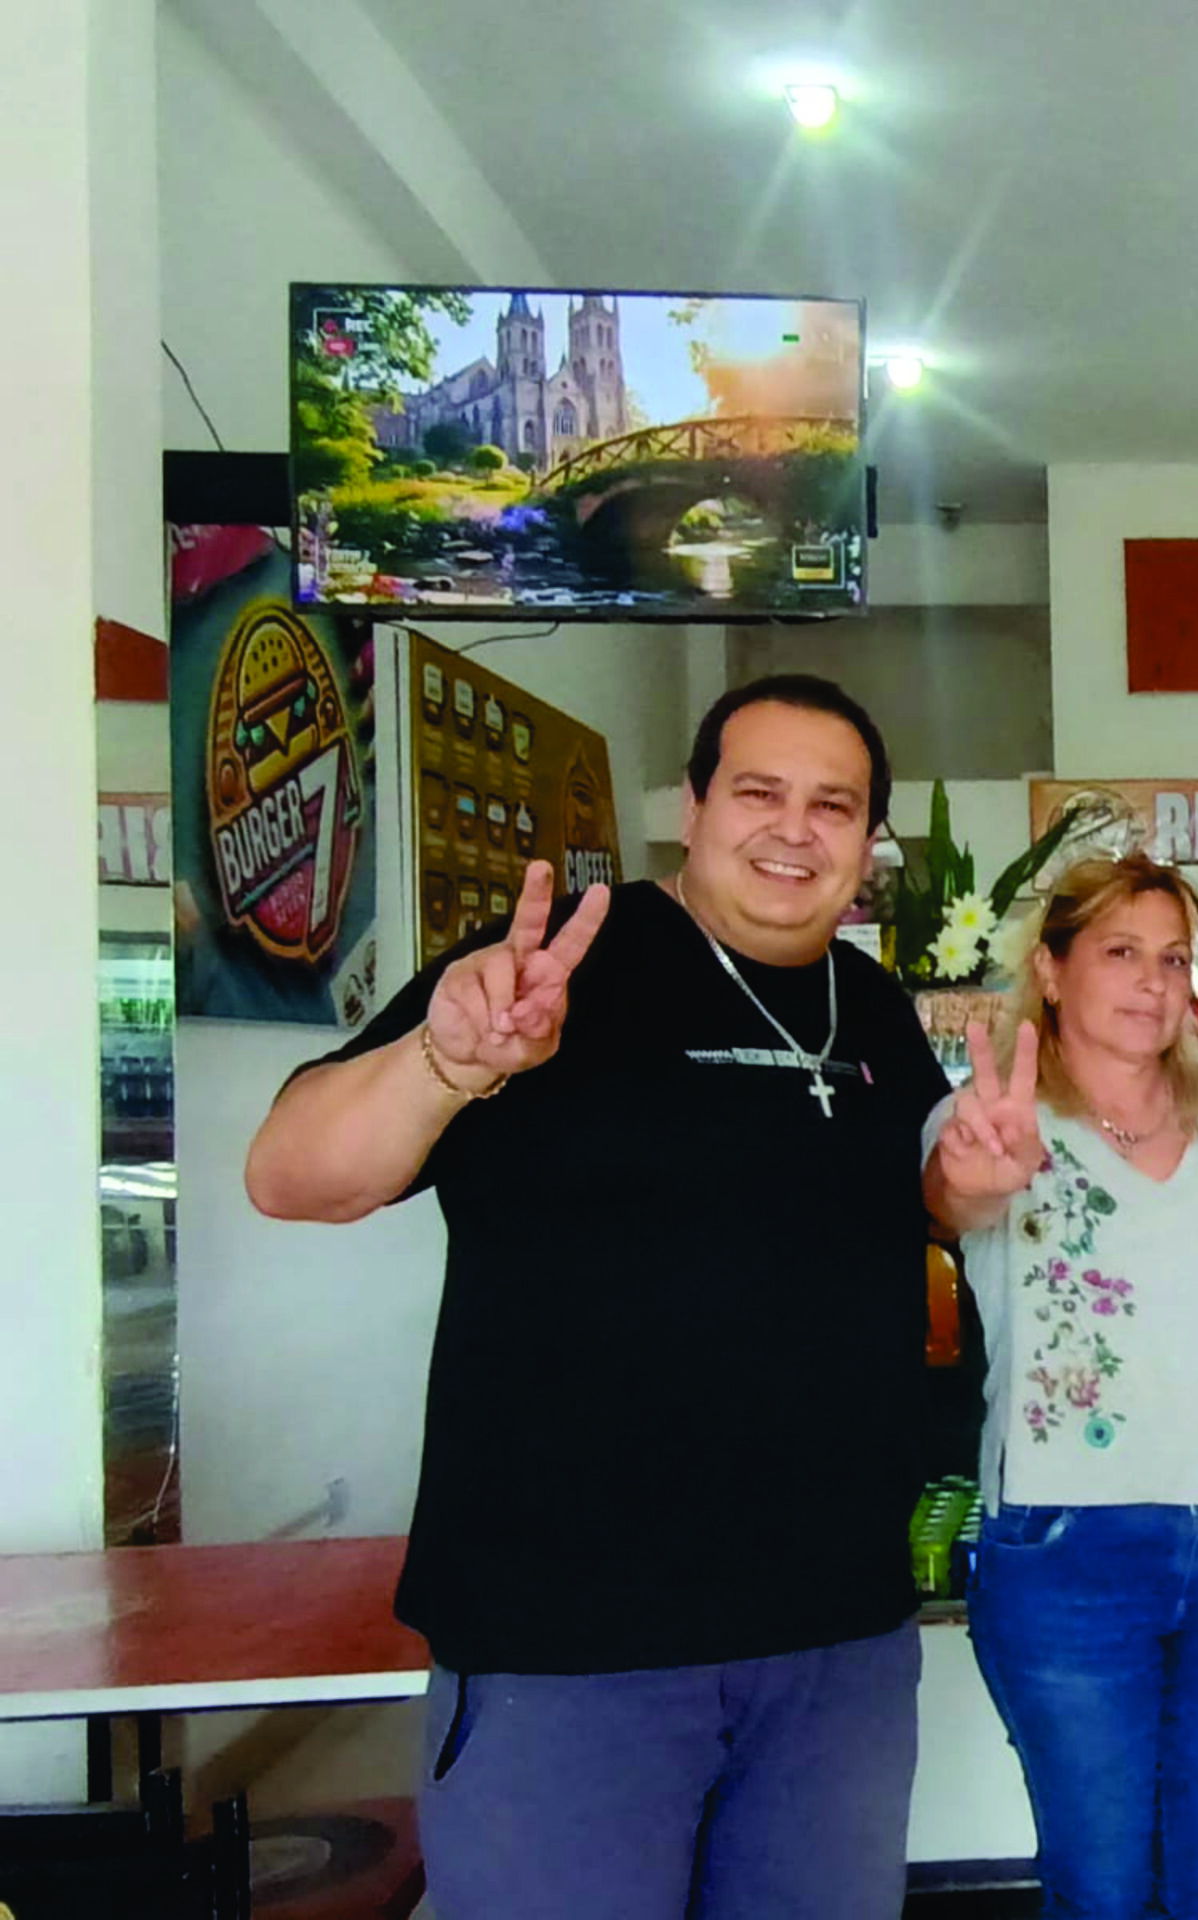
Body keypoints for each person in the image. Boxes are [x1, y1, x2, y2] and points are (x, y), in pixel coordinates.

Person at [244, 675, 947, 1920]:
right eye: (760, 792)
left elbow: (910, 1217)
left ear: (867, 839)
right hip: (568, 1651)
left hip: (834, 1651)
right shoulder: (552, 965)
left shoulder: (877, 1009)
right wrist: (447, 1062)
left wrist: (970, 1189)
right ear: (692, 806)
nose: (794, 829)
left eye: (833, 805)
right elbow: (290, 1175)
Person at [923, 851, 1198, 1920]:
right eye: (1121, 952)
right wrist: (970, 1174)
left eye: (1174, 959)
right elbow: (952, 1198)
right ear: (1051, 970)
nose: (1154, 981)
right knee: (1099, 1887)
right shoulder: (992, 1117)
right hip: (1067, 1552)